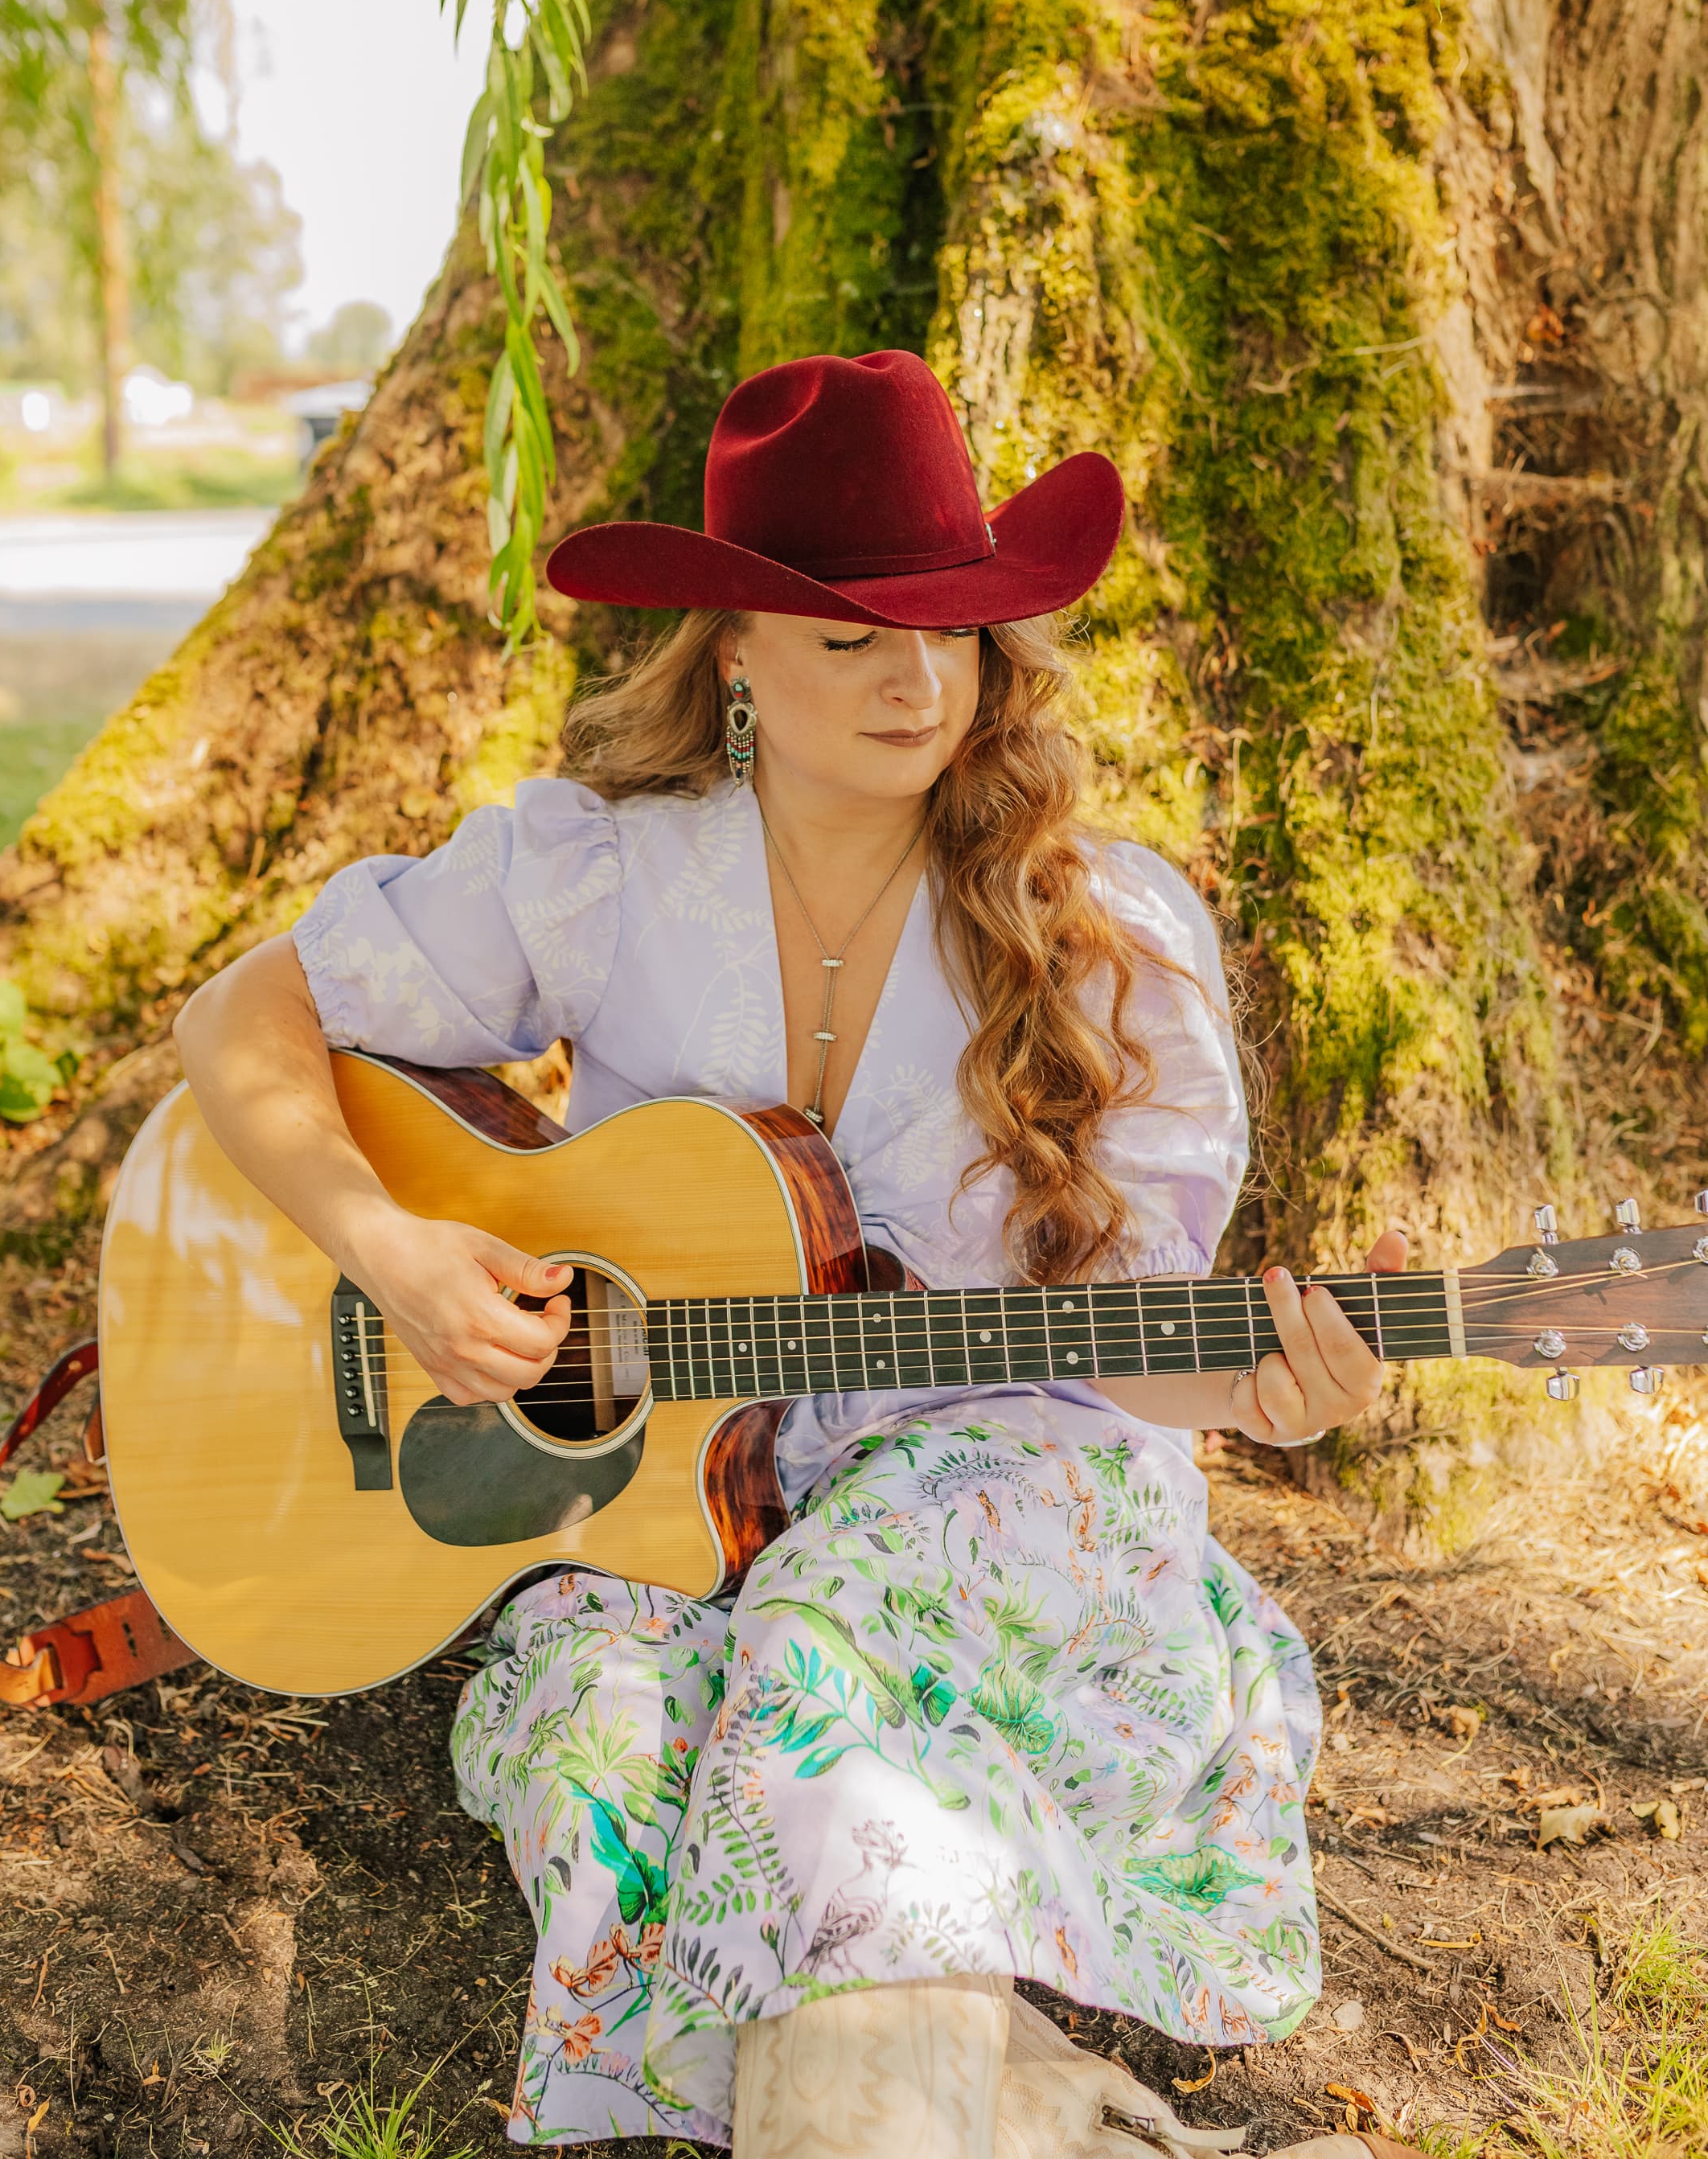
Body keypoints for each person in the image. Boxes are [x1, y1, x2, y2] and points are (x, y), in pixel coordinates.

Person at [175, 351, 1423, 2159]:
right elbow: (246, 1014)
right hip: (675, 1515)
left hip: (1005, 1487)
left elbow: (1130, 1354)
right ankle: (1049, 2121)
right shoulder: (598, 873)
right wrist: (386, 1247)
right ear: (736, 649)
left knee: (839, 1637)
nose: (917, 679)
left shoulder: (1105, 936)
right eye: (850, 639)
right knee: (596, 1733)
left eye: (953, 629)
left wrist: (1273, 1388)